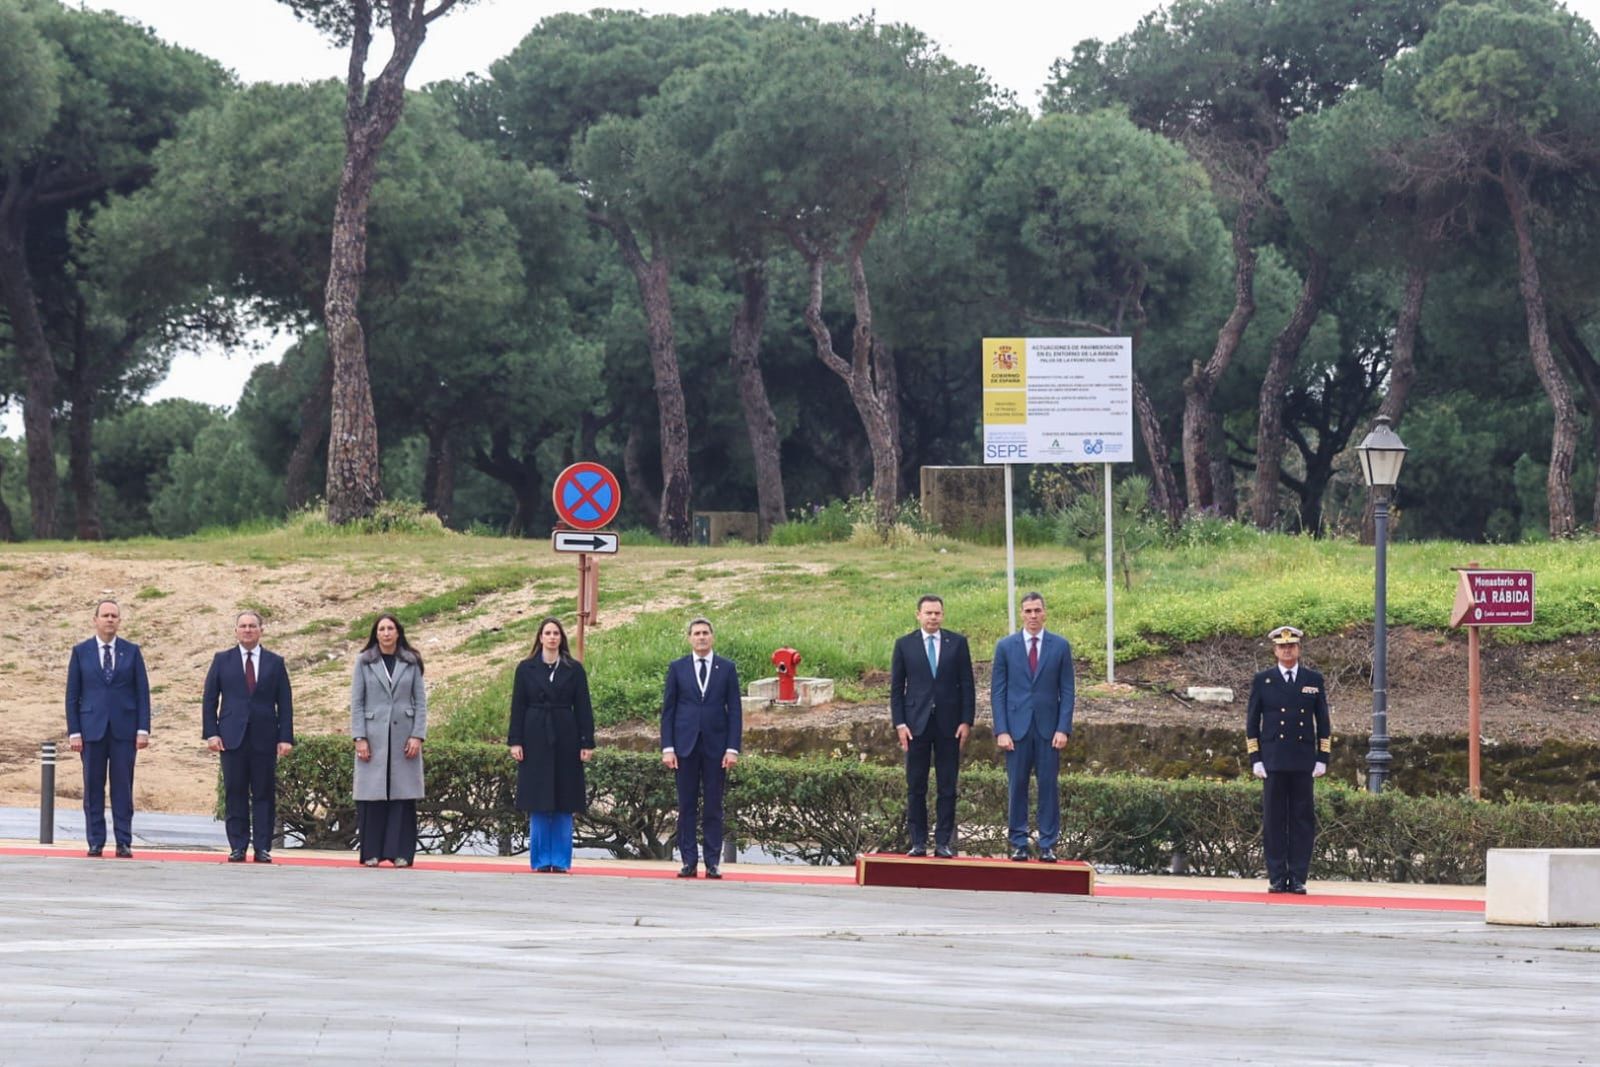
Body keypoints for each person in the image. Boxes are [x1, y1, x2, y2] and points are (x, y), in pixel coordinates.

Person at [202, 610, 295, 863]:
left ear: (261, 630)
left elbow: (284, 703)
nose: (247, 630)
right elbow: (210, 699)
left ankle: (263, 847)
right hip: (232, 737)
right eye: (243, 626)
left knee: (264, 793)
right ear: (236, 631)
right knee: (235, 793)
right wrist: (211, 733)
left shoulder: (275, 662)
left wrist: (285, 737)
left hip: (265, 738)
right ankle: (238, 846)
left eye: (252, 626)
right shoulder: (222, 660)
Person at [990, 591, 1075, 862]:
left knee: (1048, 786)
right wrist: (1001, 730)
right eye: (1028, 611)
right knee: (1017, 786)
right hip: (1016, 729)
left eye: (1037, 610)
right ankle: (1018, 842)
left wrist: (1063, 728)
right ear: (1021, 614)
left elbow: (1068, 691)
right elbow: (998, 692)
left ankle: (1048, 844)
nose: (1033, 616)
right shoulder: (1006, 646)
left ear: (1045, 612)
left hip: (1049, 730)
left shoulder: (1060, 646)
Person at [1246, 624, 1331, 895]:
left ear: (1298, 649)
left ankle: (1297, 877)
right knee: (1273, 820)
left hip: (1303, 760)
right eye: (1282, 647)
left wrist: (1323, 757)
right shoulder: (1263, 680)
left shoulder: (1313, 679)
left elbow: (1324, 722)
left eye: (1291, 646)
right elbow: (1252, 722)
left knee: (1301, 820)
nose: (1287, 650)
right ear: (1275, 650)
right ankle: (1276, 876)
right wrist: (1255, 758)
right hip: (1272, 760)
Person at [889, 594, 976, 858]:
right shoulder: (905, 645)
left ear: (943, 614)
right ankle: (917, 841)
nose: (933, 618)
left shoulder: (957, 643)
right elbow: (896, 689)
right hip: (916, 725)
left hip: (949, 725)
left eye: (937, 613)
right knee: (916, 785)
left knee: (947, 785)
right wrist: (900, 723)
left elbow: (968, 685)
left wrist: (966, 721)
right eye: (928, 613)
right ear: (918, 615)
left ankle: (943, 843)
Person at [65, 599, 152, 858]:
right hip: (91, 730)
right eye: (105, 615)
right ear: (96, 620)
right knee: (93, 787)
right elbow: (72, 695)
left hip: (124, 730)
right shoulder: (81, 652)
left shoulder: (132, 651)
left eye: (114, 615)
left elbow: (142, 693)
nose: (110, 619)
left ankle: (123, 841)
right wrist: (74, 731)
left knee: (122, 787)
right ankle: (95, 840)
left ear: (119, 620)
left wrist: (143, 729)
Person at [508, 618, 595, 873]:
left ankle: (560, 859)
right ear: (540, 638)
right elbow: (517, 707)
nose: (552, 637)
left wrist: (586, 741)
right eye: (547, 633)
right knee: (538, 797)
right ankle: (540, 859)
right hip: (534, 734)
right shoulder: (525, 669)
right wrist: (515, 740)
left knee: (564, 796)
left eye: (556, 633)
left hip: (565, 733)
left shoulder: (574, 669)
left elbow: (583, 707)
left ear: (561, 638)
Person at [661, 616, 742, 879]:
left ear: (712, 637)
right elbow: (669, 710)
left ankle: (712, 862)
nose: (701, 637)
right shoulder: (677, 668)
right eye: (696, 633)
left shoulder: (727, 669)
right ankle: (688, 861)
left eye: (705, 632)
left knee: (713, 806)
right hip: (684, 747)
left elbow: (735, 712)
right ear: (689, 638)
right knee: (686, 806)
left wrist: (732, 748)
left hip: (716, 748)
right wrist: (667, 747)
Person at [351, 613, 428, 868]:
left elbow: (420, 702)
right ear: (376, 633)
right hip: (373, 737)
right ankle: (371, 852)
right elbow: (357, 702)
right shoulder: (364, 662)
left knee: (402, 797)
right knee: (372, 797)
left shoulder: (411, 661)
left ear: (398, 632)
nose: (386, 633)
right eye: (381, 629)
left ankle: (402, 853)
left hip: (405, 737)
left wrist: (417, 734)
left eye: (390, 628)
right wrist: (359, 737)